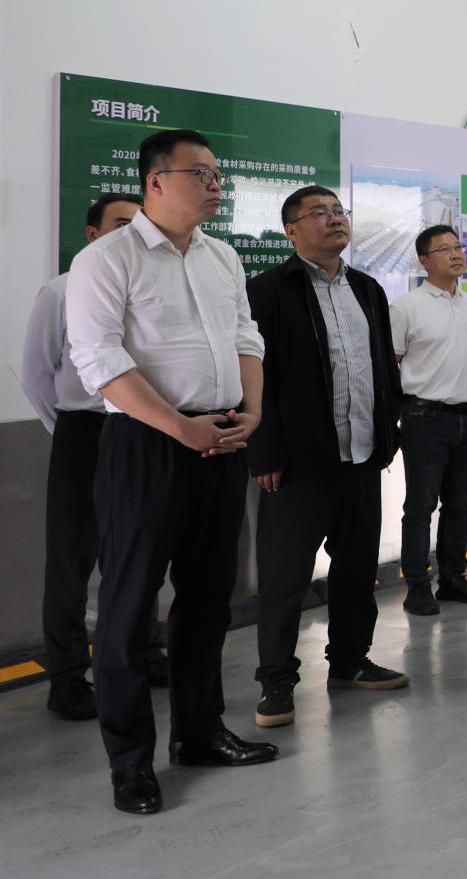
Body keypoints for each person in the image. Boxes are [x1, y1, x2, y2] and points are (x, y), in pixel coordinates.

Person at [64, 129, 277, 814]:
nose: (216, 184)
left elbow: (245, 336)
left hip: (222, 436)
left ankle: (199, 732)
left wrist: (252, 410)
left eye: (218, 174)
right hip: (147, 445)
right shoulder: (107, 259)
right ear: (157, 181)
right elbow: (98, 359)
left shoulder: (222, 256)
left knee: (209, 599)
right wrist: (180, 428)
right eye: (201, 173)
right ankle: (131, 761)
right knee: (129, 608)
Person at [247, 187, 409, 729]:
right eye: (319, 213)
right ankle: (276, 681)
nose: (334, 219)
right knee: (285, 576)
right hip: (298, 463)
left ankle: (349, 661)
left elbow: (382, 367)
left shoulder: (367, 289)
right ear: (291, 230)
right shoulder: (268, 290)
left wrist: (389, 433)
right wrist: (264, 451)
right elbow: (255, 377)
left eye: (339, 211)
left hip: (361, 454)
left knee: (357, 567)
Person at [22, 193, 170, 721]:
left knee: (138, 553)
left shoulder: (152, 287)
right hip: (84, 433)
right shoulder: (61, 291)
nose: (133, 234)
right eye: (121, 224)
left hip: (141, 429)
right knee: (72, 560)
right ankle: (66, 677)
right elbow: (37, 374)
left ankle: (144, 653)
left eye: (139, 225)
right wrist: (68, 430)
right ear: (91, 234)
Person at [390, 225, 467, 616]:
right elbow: (391, 365)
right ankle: (417, 584)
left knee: (460, 504)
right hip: (425, 418)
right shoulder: (406, 307)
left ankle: (453, 578)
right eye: (445, 249)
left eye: (458, 247)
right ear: (424, 260)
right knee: (420, 505)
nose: (456, 254)